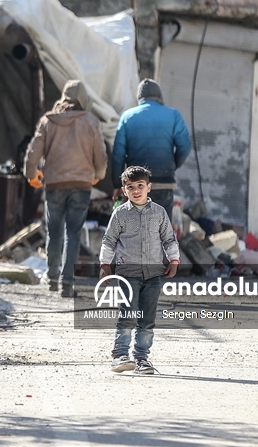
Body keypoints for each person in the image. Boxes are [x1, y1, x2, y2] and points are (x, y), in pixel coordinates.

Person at [25, 80, 107, 298]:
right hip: (81, 185)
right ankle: (67, 283)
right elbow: (100, 156)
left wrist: (31, 175)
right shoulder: (91, 122)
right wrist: (97, 176)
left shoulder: (48, 121)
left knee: (54, 231)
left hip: (54, 184)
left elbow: (33, 153)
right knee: (73, 233)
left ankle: (52, 278)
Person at [100, 166, 180, 375]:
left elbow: (168, 238)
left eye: (140, 186)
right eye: (130, 187)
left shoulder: (159, 213)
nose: (136, 190)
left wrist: (174, 260)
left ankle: (142, 358)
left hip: (153, 275)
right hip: (128, 274)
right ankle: (120, 355)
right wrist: (105, 265)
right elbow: (109, 241)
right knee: (128, 314)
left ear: (149, 187)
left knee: (147, 318)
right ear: (124, 191)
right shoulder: (120, 214)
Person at [111, 79, 191, 211]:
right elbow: (185, 146)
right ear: (159, 96)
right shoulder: (173, 115)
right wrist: (173, 165)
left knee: (136, 228)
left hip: (137, 185)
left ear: (139, 98)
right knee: (162, 229)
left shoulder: (127, 117)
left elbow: (118, 155)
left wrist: (117, 184)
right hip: (164, 182)